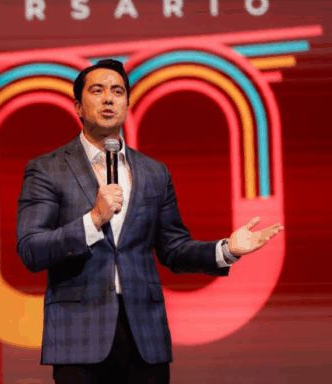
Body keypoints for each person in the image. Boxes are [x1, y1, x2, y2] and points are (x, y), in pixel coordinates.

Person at [15, 59, 284, 384]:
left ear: (127, 104)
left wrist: (226, 249)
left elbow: (173, 248)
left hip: (145, 336)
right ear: (78, 107)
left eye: (118, 91)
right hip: (79, 335)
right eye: (97, 91)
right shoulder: (47, 168)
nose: (109, 98)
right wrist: (93, 220)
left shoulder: (154, 172)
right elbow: (31, 249)